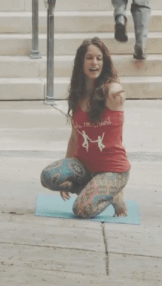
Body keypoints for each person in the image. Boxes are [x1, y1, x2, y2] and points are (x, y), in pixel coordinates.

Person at [40, 38, 129, 219]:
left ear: (104, 63)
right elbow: (74, 138)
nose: (94, 62)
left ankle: (114, 195)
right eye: (89, 58)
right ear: (81, 62)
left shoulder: (111, 93)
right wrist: (66, 172)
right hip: (84, 167)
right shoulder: (77, 96)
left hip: (112, 170)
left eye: (99, 58)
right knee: (48, 177)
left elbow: (117, 89)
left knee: (81, 210)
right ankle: (90, 188)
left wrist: (116, 90)